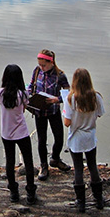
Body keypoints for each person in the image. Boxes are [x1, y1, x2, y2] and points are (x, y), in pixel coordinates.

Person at [63, 68, 106, 212]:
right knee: (93, 166)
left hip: (76, 137)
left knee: (78, 169)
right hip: (90, 136)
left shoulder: (71, 98)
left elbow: (67, 123)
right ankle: (98, 199)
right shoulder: (96, 97)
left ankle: (80, 201)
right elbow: (99, 114)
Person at [0, 64, 38, 205]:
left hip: (6, 133)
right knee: (28, 161)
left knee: (10, 161)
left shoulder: (0, 93)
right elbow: (24, 107)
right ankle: (31, 192)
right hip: (21, 132)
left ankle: (13, 192)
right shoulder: (22, 94)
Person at [27, 49, 71, 180]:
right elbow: (31, 86)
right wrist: (29, 96)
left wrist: (57, 99)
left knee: (59, 137)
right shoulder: (37, 71)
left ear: (51, 62)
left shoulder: (60, 75)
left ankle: (55, 159)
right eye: (40, 65)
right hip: (39, 110)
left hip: (53, 110)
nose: (42, 67)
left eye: (44, 65)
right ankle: (43, 165)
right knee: (42, 139)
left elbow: (69, 93)